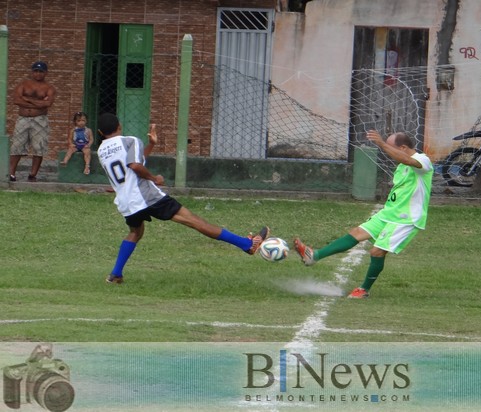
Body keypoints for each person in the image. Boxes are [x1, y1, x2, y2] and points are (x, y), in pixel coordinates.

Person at [96, 113, 269, 284]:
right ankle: (247, 245)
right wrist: (154, 178)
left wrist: (151, 145)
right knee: (196, 221)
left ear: (100, 132)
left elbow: (133, 162)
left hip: (126, 202)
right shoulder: (130, 140)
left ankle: (116, 274)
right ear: (120, 126)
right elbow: (134, 165)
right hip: (146, 196)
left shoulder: (101, 150)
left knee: (135, 232)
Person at [293, 130, 433, 299]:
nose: (386, 151)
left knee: (377, 252)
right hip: (389, 212)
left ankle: (364, 289)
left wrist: (381, 143)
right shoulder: (401, 166)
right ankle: (313, 256)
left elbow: (409, 160)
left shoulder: (423, 160)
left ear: (403, 147)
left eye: (390, 147)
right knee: (356, 233)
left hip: (406, 218)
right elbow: (403, 162)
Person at [9, 61, 56, 182]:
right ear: (32, 72)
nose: (38, 74)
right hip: (23, 118)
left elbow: (48, 103)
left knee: (39, 146)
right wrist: (39, 103)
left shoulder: (49, 88)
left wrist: (27, 100)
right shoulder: (24, 84)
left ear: (46, 73)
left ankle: (33, 174)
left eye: (41, 71)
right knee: (17, 145)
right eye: (36, 71)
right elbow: (16, 100)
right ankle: (11, 173)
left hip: (40, 120)